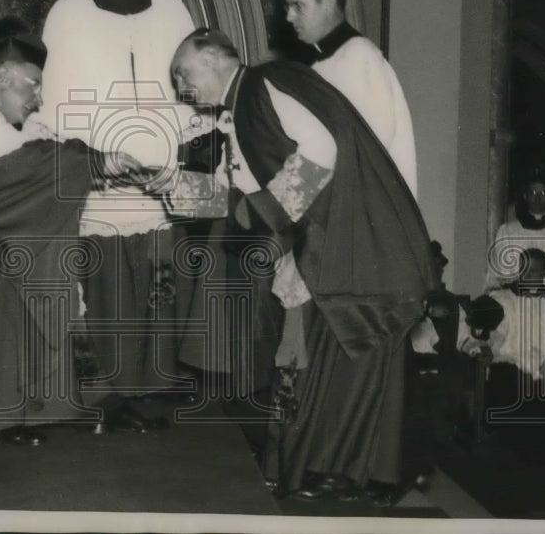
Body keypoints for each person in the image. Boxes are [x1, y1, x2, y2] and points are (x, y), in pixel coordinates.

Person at [169, 29, 438, 505]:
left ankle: (342, 473)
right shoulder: (240, 108)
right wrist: (171, 186)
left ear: (213, 60)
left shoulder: (264, 83)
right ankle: (329, 471)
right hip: (326, 241)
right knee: (320, 361)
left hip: (348, 239)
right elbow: (240, 190)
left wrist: (264, 213)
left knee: (343, 356)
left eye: (182, 72)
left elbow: (320, 153)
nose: (179, 85)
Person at [0, 17, 145, 451]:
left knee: (45, 262)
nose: (39, 99)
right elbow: (28, 168)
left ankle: (37, 402)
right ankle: (32, 404)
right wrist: (97, 163)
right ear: (5, 77)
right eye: (33, 85)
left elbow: (25, 168)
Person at [34, 0, 198, 432]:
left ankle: (154, 391)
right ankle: (112, 392)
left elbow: (189, 89)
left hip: (159, 180)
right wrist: (97, 156)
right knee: (109, 289)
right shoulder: (68, 13)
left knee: (159, 288)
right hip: (105, 177)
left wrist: (178, 155)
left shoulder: (173, 9)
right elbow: (59, 100)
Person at [283, 0, 417, 197]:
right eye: (287, 7)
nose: (289, 17)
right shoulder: (318, 65)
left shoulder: (360, 56)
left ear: (329, 3)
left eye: (298, 6)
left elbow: (372, 142)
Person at [486, 175, 545, 291]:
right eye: (533, 193)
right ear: (525, 196)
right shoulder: (508, 231)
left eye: (543, 193)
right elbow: (501, 272)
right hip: (517, 296)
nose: (537, 198)